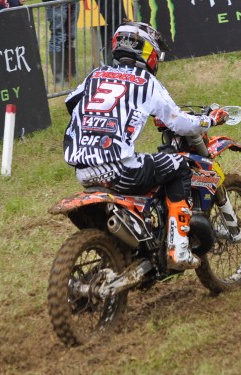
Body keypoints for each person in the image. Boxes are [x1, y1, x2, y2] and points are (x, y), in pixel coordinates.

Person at [63, 21, 229, 270]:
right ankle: (179, 249)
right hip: (119, 169)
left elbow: (70, 102)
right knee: (179, 164)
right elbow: (181, 123)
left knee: (147, 165)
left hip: (84, 170)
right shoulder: (146, 82)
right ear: (148, 52)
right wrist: (210, 120)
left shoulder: (95, 76)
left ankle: (141, 239)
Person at [45, 0, 79, 85]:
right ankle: (59, 79)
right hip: (56, 2)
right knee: (58, 37)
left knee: (71, 36)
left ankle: (70, 74)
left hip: (73, 2)